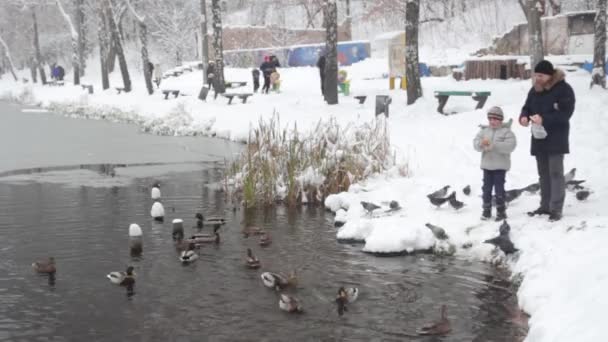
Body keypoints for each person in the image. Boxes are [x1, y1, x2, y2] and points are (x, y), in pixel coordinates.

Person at [519, 60, 575, 222]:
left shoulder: (564, 90)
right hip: (539, 138)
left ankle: (556, 209)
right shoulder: (534, 90)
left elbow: (565, 114)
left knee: (556, 174)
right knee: (543, 174)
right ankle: (545, 206)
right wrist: (523, 117)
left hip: (557, 138)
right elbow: (527, 107)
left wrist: (544, 119)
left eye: (541, 75)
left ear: (550, 76)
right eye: (536, 75)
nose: (537, 78)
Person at [474, 106, 517, 221]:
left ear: (501, 120)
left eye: (495, 119)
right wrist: (481, 145)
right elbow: (476, 143)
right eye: (490, 119)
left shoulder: (506, 132)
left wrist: (495, 146)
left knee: (499, 189)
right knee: (486, 189)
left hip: (500, 167)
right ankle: (486, 210)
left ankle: (501, 211)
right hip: (487, 166)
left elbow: (510, 146)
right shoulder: (484, 131)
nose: (492, 121)